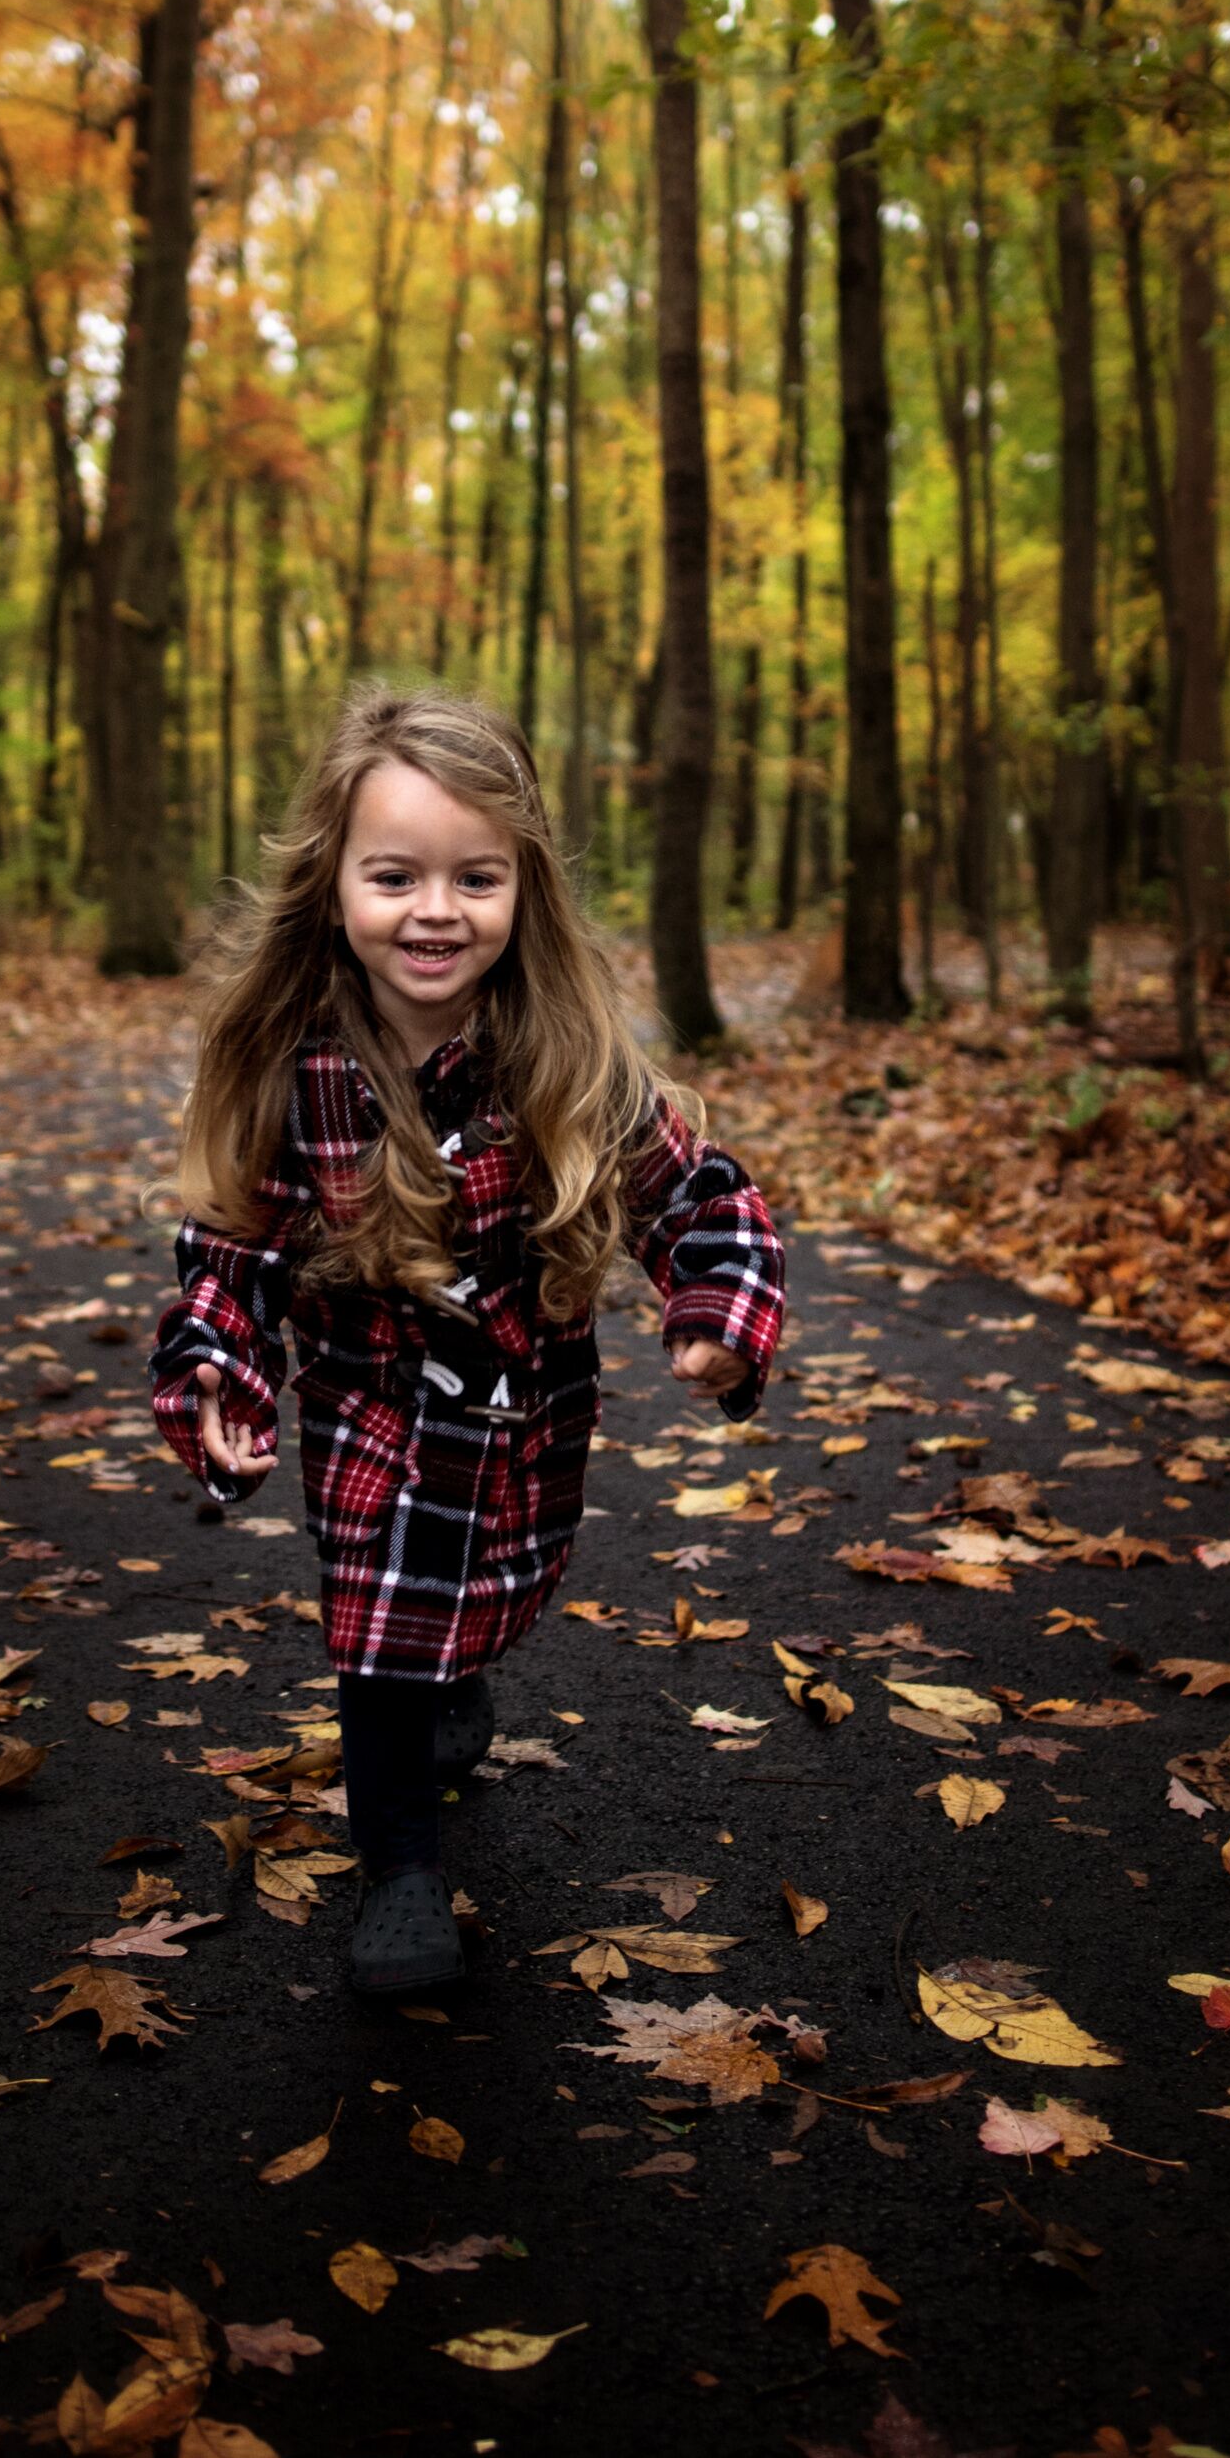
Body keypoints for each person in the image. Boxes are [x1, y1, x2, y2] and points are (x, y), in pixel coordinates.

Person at [150, 689, 784, 1998]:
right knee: (376, 1630)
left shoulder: (566, 1059)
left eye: (473, 878)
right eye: (394, 876)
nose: (433, 910)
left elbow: (701, 1199)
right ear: (334, 887)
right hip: (371, 1417)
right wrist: (216, 1364)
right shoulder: (300, 1071)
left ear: (521, 889)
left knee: (483, 1601)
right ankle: (400, 1871)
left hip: (523, 1418)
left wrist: (715, 1315)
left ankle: (462, 1679)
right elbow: (232, 1253)